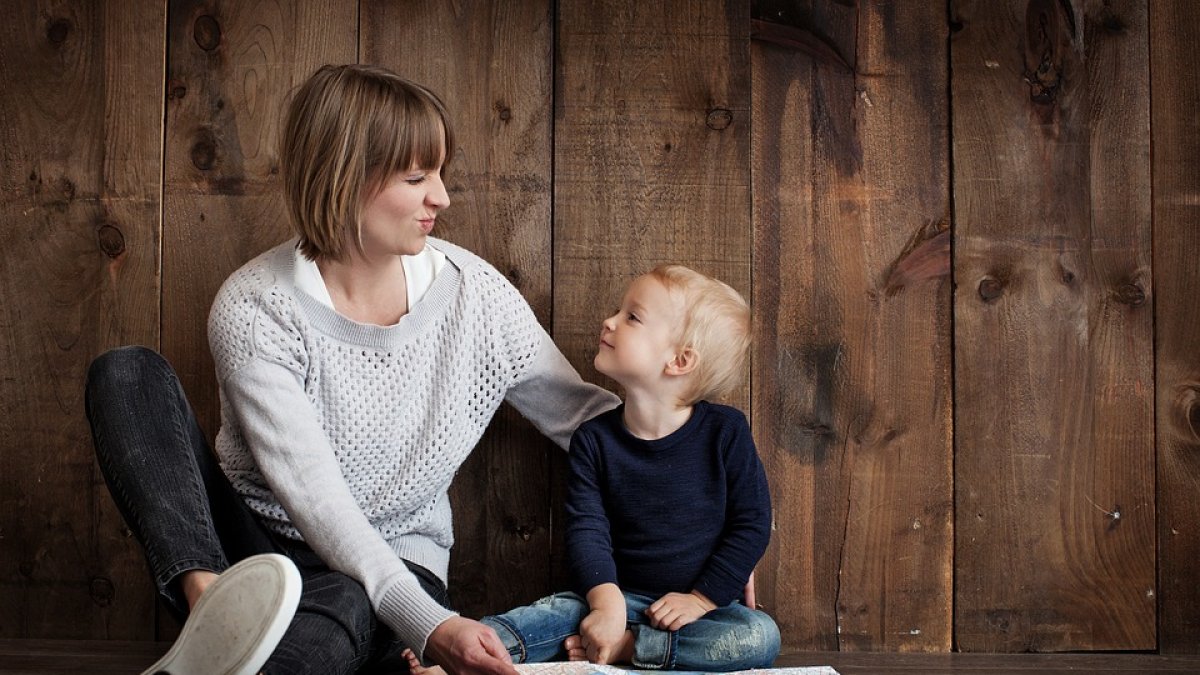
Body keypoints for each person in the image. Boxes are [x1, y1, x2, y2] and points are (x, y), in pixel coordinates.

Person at [84, 63, 619, 675]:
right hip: (251, 550)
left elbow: (587, 421)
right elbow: (314, 497)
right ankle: (213, 611)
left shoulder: (477, 297)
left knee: (344, 596)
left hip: (397, 569)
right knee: (126, 375)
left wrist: (718, 522)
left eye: (440, 174)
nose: (441, 197)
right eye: (417, 176)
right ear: (343, 178)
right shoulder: (255, 306)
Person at [411, 265, 780, 672]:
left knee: (759, 636)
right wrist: (606, 604)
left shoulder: (725, 433)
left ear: (679, 360)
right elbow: (587, 529)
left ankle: (630, 649)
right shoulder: (594, 440)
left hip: (697, 613)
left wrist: (702, 599)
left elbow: (752, 522)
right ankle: (462, 653)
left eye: (632, 317)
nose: (609, 321)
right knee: (547, 616)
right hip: (611, 596)